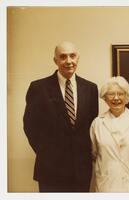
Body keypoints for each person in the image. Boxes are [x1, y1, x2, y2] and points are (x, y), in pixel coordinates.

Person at [23, 41, 98, 192]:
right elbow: (30, 127)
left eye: (72, 56)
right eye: (63, 57)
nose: (68, 61)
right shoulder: (38, 88)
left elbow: (91, 125)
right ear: (55, 60)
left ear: (78, 58)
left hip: (81, 170)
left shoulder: (90, 88)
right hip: (50, 170)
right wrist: (47, 153)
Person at [90, 76, 129, 192]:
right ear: (104, 97)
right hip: (106, 183)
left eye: (120, 94)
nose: (116, 98)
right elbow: (94, 155)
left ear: (127, 96)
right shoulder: (97, 123)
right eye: (111, 94)